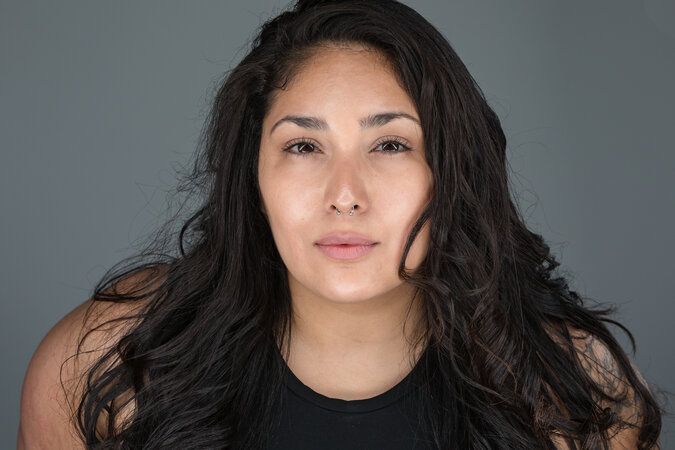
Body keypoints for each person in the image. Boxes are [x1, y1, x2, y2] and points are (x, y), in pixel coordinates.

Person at [18, 0, 663, 448]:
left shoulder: (575, 395)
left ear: (451, 172)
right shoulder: (109, 364)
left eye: (391, 145)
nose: (346, 195)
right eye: (304, 146)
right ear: (253, 178)